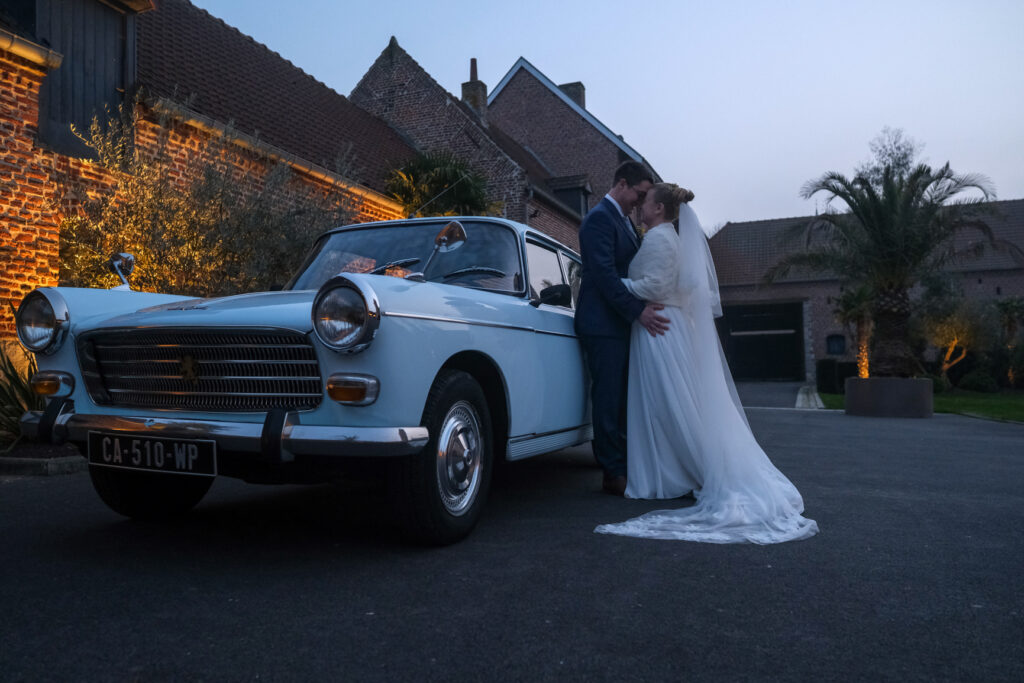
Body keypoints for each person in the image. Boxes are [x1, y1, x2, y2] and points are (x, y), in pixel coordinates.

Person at [594, 183, 818, 544]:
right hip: (667, 325)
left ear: (659, 209)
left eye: (646, 202)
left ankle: (678, 471)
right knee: (672, 401)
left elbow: (654, 286)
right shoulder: (671, 239)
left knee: (666, 403)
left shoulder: (659, 239)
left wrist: (618, 284)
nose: (641, 207)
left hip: (659, 329)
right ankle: (674, 469)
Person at [575, 161, 670, 497]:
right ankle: (612, 472)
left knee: (622, 400)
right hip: (602, 324)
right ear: (622, 184)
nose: (640, 203)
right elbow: (604, 276)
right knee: (608, 398)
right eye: (639, 195)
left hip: (619, 324)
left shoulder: (625, 222)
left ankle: (626, 464)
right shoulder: (598, 219)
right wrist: (638, 312)